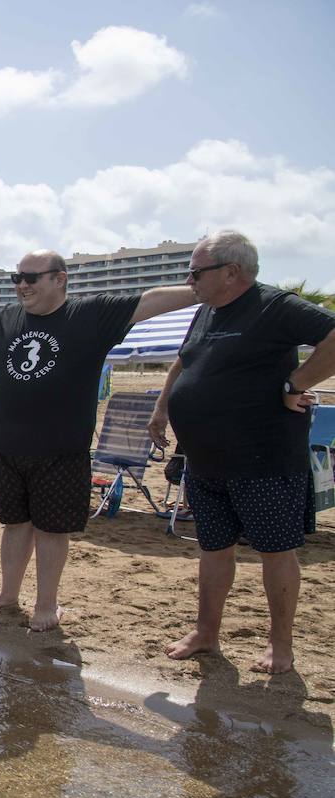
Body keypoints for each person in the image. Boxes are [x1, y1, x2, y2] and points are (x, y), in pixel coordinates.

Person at [0, 249, 197, 631]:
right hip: (7, 446)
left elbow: (148, 302)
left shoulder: (89, 315)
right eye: (18, 278)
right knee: (15, 525)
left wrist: (201, 287)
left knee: (51, 529)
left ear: (59, 279)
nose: (23, 285)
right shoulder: (8, 319)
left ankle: (46, 605)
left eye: (31, 277)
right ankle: (7, 594)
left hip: (61, 448)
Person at [147, 230, 335, 674]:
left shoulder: (275, 306)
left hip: (262, 460)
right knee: (212, 549)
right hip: (205, 459)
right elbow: (184, 360)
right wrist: (161, 407)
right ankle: (206, 633)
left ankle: (280, 645)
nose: (189, 280)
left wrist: (297, 384)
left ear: (231, 272)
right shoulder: (207, 312)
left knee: (275, 551)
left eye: (196, 271)